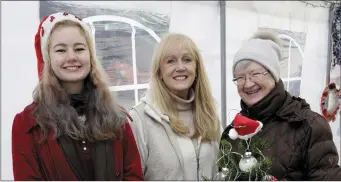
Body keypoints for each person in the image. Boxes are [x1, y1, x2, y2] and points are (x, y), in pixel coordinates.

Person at [11, 12, 144, 181]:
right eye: (60, 50)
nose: (72, 57)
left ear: (90, 55)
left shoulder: (116, 119)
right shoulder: (27, 125)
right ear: (48, 58)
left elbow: (134, 176)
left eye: (79, 48)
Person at [221, 30, 341, 180]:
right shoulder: (233, 133)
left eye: (256, 74)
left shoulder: (309, 126)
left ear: (274, 75)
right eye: (240, 77)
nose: (248, 83)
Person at [128, 33, 222, 180]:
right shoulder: (139, 119)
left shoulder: (208, 114)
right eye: (171, 61)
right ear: (159, 71)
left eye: (187, 60)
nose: (180, 67)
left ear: (196, 69)